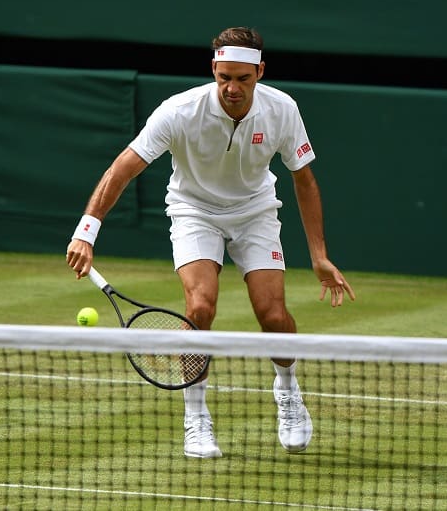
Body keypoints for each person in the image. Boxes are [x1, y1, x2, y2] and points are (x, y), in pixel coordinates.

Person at [66, 26, 355, 458]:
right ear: (213, 70)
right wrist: (86, 231)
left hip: (256, 212)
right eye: (224, 78)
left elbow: (304, 180)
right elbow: (123, 167)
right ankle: (197, 418)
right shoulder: (179, 111)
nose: (232, 88)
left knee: (273, 314)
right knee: (199, 307)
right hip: (194, 211)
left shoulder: (283, 110)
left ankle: (288, 391)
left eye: (243, 78)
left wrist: (319, 255)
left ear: (260, 71)